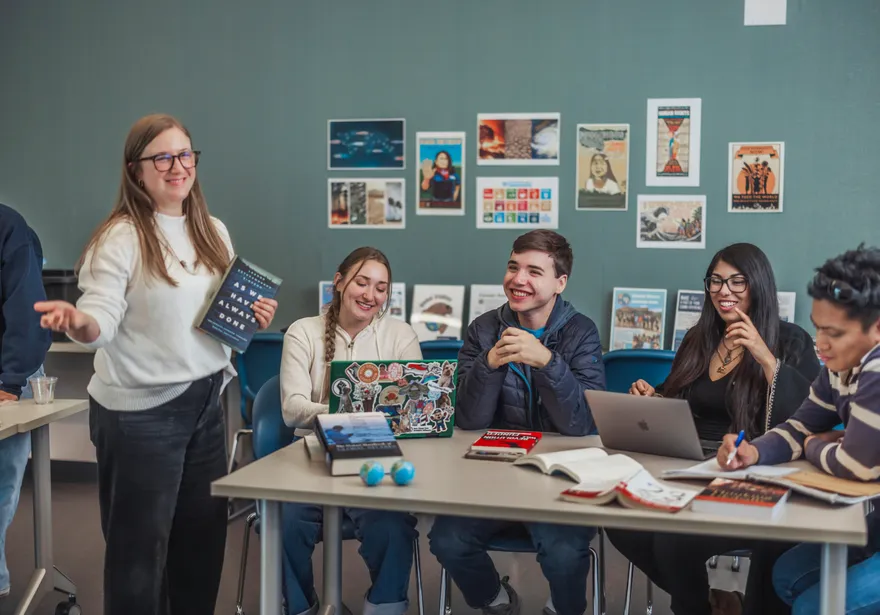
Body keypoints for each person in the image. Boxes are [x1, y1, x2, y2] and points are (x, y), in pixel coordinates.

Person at [34, 114, 277, 615]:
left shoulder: (214, 231)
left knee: (201, 545)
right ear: (136, 170)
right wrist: (77, 321)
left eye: (185, 154)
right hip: (141, 416)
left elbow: (221, 325)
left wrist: (253, 318)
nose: (177, 166)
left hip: (208, 401)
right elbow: (99, 316)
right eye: (161, 157)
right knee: (139, 554)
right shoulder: (120, 237)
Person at [606, 243, 821, 615]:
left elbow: (809, 413)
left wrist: (765, 356)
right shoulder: (699, 338)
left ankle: (695, 607)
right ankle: (709, 602)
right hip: (687, 467)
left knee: (674, 542)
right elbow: (680, 397)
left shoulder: (791, 340)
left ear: (759, 285)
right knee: (621, 520)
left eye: (737, 281)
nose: (724, 291)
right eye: (716, 281)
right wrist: (652, 397)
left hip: (748, 470)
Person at [428, 230, 606, 615]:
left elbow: (583, 424)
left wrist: (548, 362)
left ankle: (564, 607)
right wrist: (488, 364)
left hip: (558, 478)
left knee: (563, 553)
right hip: (493, 475)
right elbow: (469, 420)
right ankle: (494, 598)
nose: (518, 279)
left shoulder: (581, 332)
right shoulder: (483, 329)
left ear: (560, 283)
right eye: (513, 267)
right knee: (447, 539)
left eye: (533, 271)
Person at [717, 245, 880, 615]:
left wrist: (812, 447)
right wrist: (754, 451)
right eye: (817, 327)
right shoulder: (839, 368)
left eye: (834, 333)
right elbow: (800, 425)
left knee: (811, 605)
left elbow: (856, 464)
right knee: (787, 576)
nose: (820, 344)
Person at [280, 246, 422, 615]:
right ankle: (302, 607)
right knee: (287, 520)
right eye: (362, 282)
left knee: (392, 524)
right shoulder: (303, 332)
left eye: (380, 288)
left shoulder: (400, 335)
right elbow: (292, 410)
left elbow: (414, 410)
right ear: (339, 282)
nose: (370, 295)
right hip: (311, 456)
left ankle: (384, 605)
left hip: (377, 456)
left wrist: (354, 417)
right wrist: (356, 412)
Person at [0, 204, 52, 599]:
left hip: (8, 369)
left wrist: (11, 382)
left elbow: (27, 312)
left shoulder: (8, 228)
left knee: (1, 483)